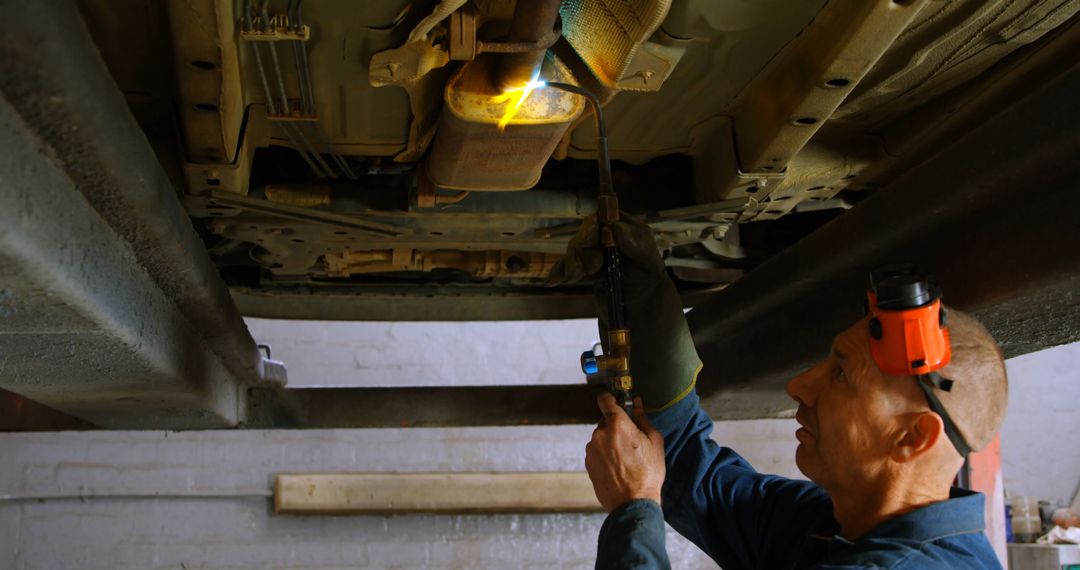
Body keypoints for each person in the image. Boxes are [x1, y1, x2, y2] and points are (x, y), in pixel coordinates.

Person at [554, 216, 1009, 569]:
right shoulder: (842, 525)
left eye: (841, 376)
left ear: (912, 438)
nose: (798, 386)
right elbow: (695, 480)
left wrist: (635, 510)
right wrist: (646, 301)